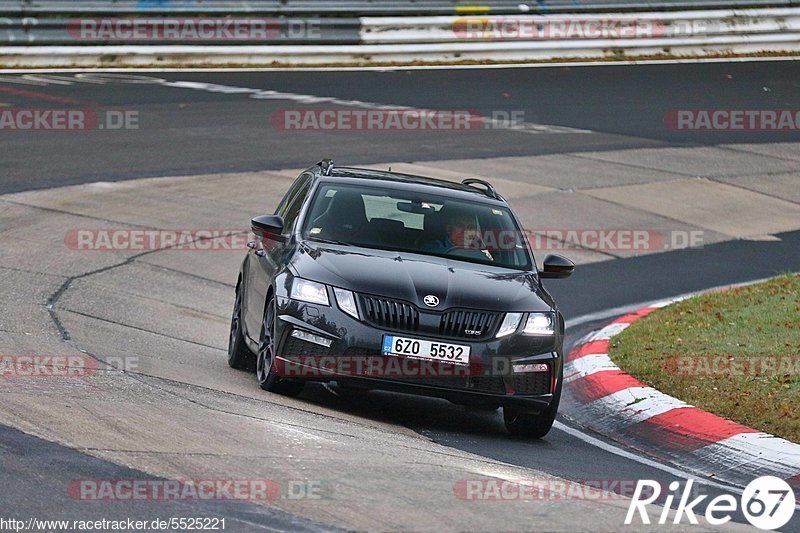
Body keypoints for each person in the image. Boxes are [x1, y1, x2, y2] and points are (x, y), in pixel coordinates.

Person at [421, 211, 491, 261]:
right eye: (460, 225)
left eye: (470, 227)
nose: (465, 231)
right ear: (449, 229)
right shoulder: (433, 247)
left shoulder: (482, 254)